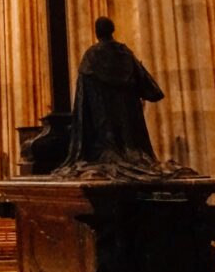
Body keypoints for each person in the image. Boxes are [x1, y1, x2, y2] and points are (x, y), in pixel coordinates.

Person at [59, 16, 165, 178]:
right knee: (131, 147)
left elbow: (82, 98)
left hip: (102, 127)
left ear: (96, 33)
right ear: (112, 31)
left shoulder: (91, 56)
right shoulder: (125, 54)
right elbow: (145, 82)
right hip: (127, 124)